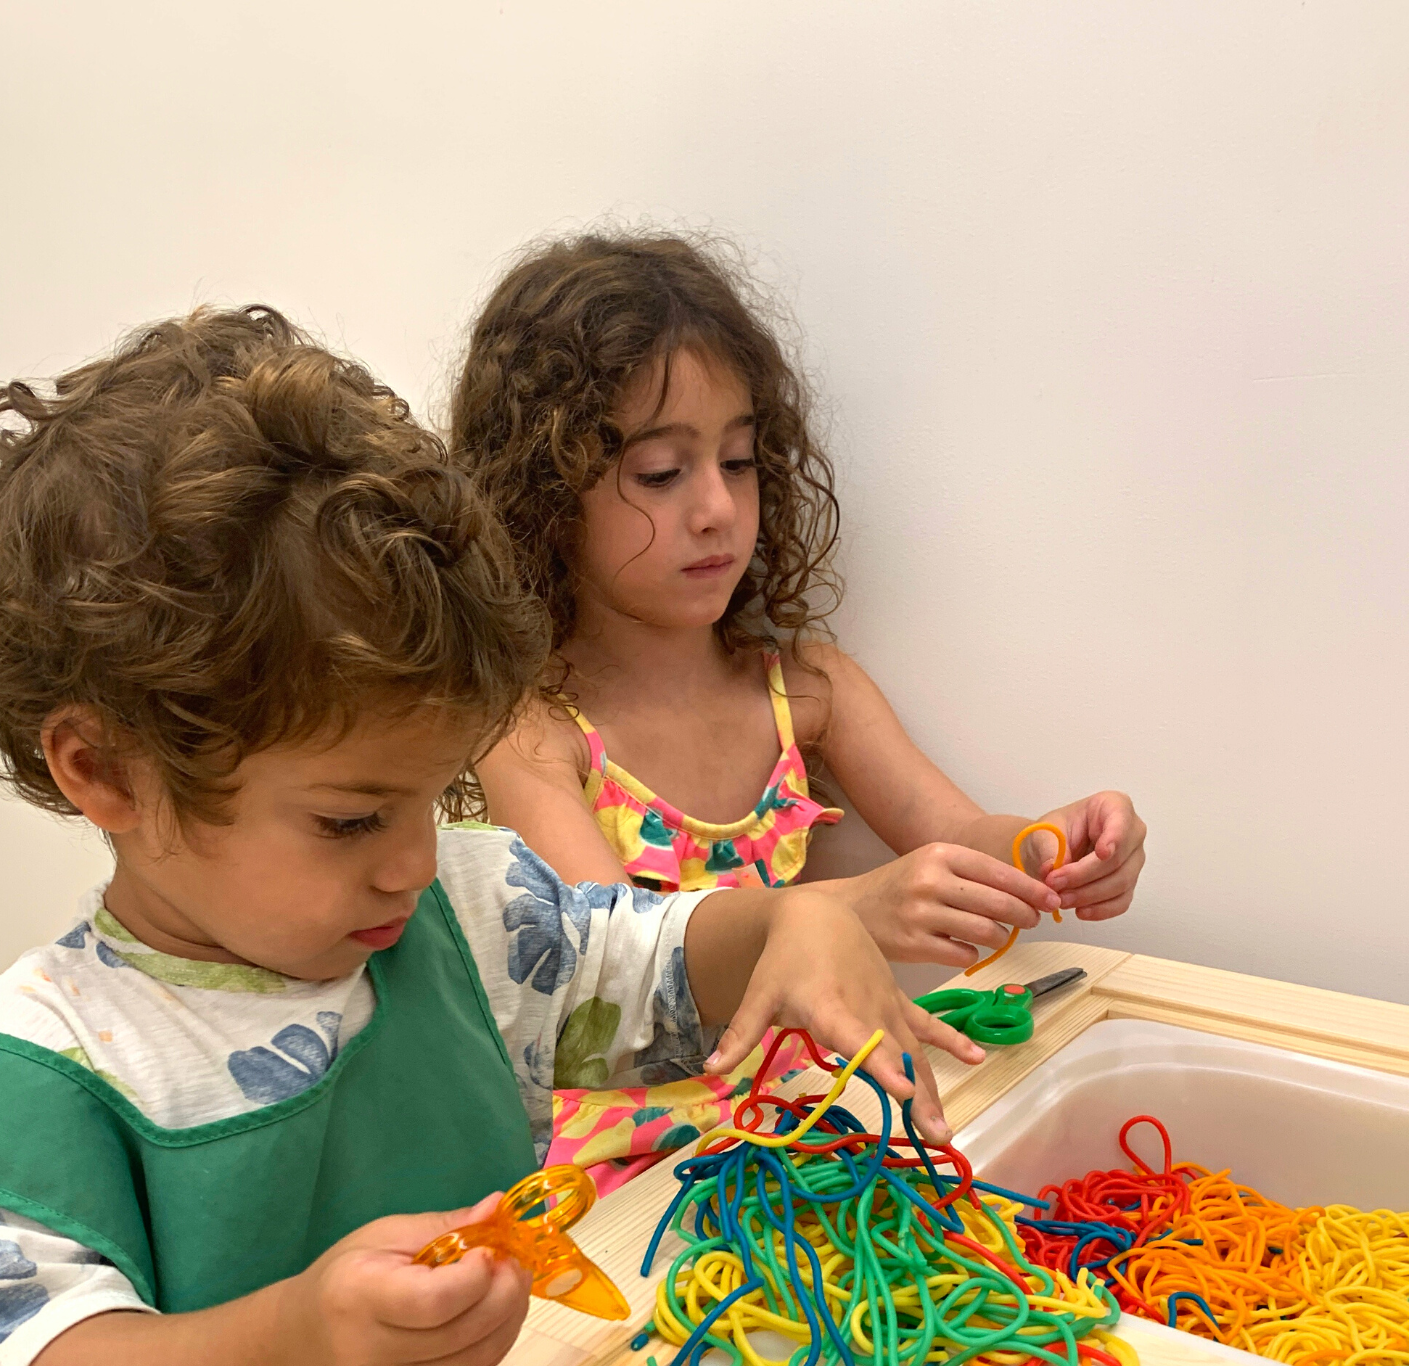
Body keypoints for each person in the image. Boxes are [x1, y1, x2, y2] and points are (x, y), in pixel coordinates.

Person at [0, 305, 976, 1366]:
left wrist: (789, 924)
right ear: (108, 772)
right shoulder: (39, 1064)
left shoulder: (463, 908)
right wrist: (298, 1346)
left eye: (433, 795)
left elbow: (650, 962)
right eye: (349, 819)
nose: (412, 860)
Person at [451, 232, 1147, 1184]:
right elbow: (613, 970)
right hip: (626, 1170)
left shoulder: (808, 689)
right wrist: (852, 908)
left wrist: (1051, 849)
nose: (717, 508)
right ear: (545, 495)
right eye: (661, 473)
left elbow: (957, 837)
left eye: (738, 462)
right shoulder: (530, 731)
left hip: (804, 1127)